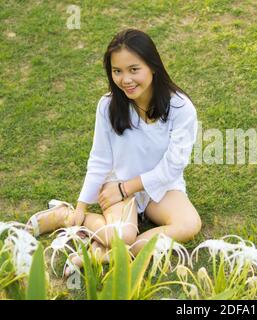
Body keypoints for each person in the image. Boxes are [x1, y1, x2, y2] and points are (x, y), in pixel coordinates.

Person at [27, 29, 202, 276]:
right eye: (117, 71)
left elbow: (173, 165)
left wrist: (128, 187)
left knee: (189, 223)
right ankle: (65, 216)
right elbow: (99, 159)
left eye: (133, 69)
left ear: (152, 66)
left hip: (159, 186)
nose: (125, 80)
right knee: (123, 234)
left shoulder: (180, 107)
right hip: (116, 184)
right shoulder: (108, 106)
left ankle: (108, 254)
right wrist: (81, 207)